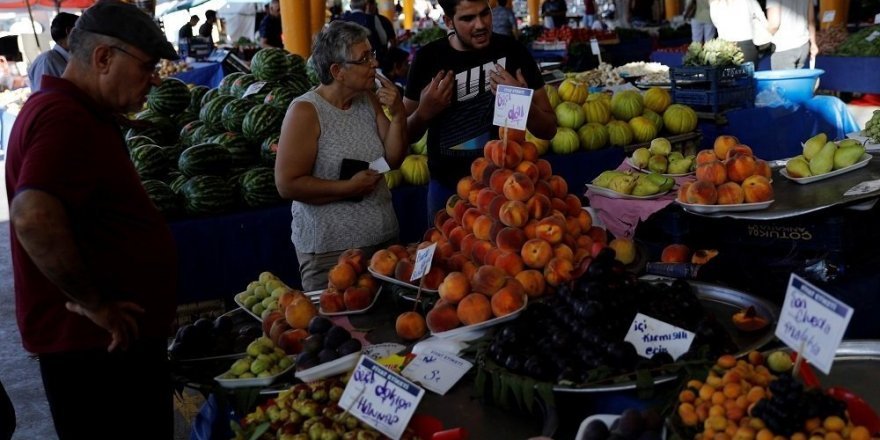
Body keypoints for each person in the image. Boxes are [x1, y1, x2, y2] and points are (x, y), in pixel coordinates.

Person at [4, 1, 179, 439]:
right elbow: (31, 216)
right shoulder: (63, 118)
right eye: (147, 66)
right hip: (96, 352)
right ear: (104, 58)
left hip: (102, 348)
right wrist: (95, 303)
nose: (154, 80)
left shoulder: (76, 113)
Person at [275, 20, 407, 291]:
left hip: (382, 246)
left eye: (371, 54)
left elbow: (392, 159)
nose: (374, 63)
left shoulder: (367, 99)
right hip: (331, 258)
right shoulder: (306, 112)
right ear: (337, 71)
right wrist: (347, 188)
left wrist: (398, 113)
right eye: (364, 58)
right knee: (337, 331)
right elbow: (287, 183)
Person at [403, 0, 557, 220]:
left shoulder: (512, 51)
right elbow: (405, 134)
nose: (480, 24)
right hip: (447, 190)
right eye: (468, 18)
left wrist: (522, 101)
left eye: (485, 14)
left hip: (506, 189)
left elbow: (549, 129)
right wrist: (424, 113)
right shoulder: (429, 59)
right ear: (448, 21)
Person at [27, 12, 78, 93]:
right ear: (70, 31)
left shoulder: (70, 59)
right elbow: (45, 98)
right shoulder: (47, 61)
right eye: (82, 31)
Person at [340, 0, 393, 73]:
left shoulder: (342, 20)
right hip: (372, 62)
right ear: (365, 6)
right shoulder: (372, 18)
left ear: (350, 7)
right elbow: (384, 40)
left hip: (349, 63)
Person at [766, 0, 817, 69]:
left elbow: (774, 25)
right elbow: (811, 20)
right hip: (803, 44)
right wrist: (813, 43)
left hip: (783, 46)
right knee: (799, 78)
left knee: (784, 80)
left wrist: (763, 38)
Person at [710, 0, 759, 64]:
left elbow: (716, 23)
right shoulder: (749, 1)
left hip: (723, 47)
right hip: (746, 45)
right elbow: (760, 19)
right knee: (748, 73)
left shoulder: (714, 3)